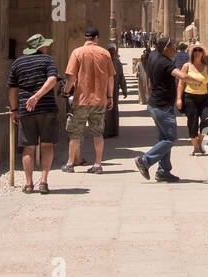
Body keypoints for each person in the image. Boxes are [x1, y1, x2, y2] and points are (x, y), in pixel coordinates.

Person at [7, 33, 59, 194]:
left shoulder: (17, 63)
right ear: (40, 47)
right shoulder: (47, 60)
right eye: (45, 45)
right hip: (47, 108)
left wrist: (14, 109)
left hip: (25, 109)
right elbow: (52, 80)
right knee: (47, 144)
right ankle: (43, 181)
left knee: (28, 147)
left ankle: (29, 184)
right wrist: (36, 97)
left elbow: (12, 89)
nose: (47, 47)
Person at [61, 27, 114, 174]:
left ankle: (70, 163)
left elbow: (71, 77)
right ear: (96, 38)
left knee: (75, 133)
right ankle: (98, 164)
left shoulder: (77, 52)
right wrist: (110, 96)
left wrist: (66, 92)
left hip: (81, 99)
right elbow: (110, 78)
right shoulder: (105, 53)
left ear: (85, 38)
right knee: (97, 132)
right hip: (99, 100)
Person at [135, 34, 187, 182]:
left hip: (156, 103)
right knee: (170, 138)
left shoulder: (154, 56)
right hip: (162, 106)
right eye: (172, 48)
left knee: (164, 138)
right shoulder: (165, 62)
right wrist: (196, 79)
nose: (175, 50)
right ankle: (145, 160)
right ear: (165, 49)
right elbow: (180, 75)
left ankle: (163, 171)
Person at [176, 41, 208, 155]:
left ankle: (200, 141)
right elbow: (181, 84)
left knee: (207, 118)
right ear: (192, 53)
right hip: (190, 97)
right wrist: (179, 99)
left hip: (203, 97)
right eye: (196, 51)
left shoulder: (206, 68)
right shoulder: (186, 66)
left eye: (200, 50)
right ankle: (196, 147)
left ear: (203, 53)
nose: (198, 53)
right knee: (192, 122)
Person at [103, 42, 128, 139]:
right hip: (105, 89)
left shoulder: (117, 62)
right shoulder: (103, 61)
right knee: (105, 111)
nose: (112, 52)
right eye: (110, 51)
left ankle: (113, 131)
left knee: (114, 110)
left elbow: (121, 76)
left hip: (114, 90)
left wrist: (124, 89)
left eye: (113, 51)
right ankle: (105, 131)